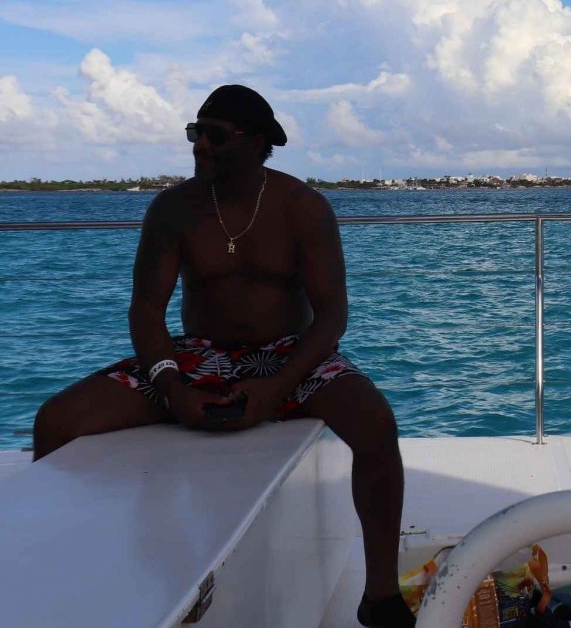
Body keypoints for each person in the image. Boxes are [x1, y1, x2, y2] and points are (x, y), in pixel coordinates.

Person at [29, 85, 414, 628]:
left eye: (215, 135)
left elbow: (330, 318)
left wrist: (277, 385)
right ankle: (66, 575)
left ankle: (380, 596)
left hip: (287, 353)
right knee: (55, 422)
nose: (199, 146)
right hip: (195, 356)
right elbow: (146, 311)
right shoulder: (174, 210)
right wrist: (172, 386)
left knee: (375, 424)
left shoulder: (303, 208)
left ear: (258, 142)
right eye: (194, 133)